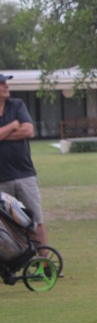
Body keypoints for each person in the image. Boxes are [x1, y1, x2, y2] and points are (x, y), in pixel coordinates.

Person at [0, 73, 51, 255]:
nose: (6, 86)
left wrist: (2, 134)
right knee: (5, 226)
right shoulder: (14, 118)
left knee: (35, 221)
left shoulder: (17, 105)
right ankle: (12, 263)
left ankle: (45, 263)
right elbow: (20, 128)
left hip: (25, 175)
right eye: (2, 83)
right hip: (1, 178)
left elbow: (29, 131)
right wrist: (13, 126)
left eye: (6, 83)